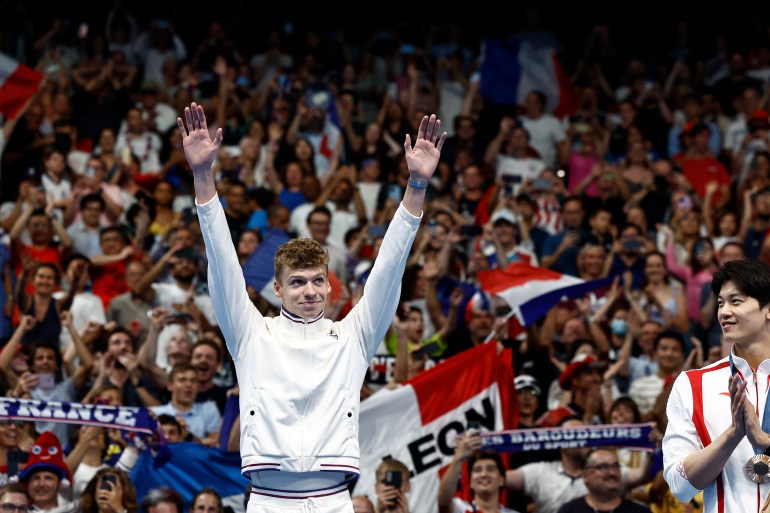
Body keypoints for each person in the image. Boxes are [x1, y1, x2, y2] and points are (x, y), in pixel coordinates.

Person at [177, 102, 445, 512]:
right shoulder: (251, 333)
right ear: (278, 290)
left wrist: (416, 189)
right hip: (268, 501)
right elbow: (223, 263)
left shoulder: (351, 336)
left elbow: (389, 270)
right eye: (298, 282)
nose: (310, 291)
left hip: (335, 501)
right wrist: (203, 179)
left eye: (318, 280)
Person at [663, 259, 770, 512]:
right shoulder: (692, 384)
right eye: (721, 303)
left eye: (736, 301)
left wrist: (764, 442)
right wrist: (732, 435)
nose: (724, 312)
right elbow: (679, 486)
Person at [438, 429, 520, 513]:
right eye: (477, 470)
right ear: (470, 482)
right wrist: (459, 457)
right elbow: (443, 503)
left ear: (502, 480)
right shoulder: (461, 509)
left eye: (490, 469)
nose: (484, 474)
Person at [556, 448, 651, 513]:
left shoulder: (640, 511)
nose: (612, 473)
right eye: (603, 467)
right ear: (585, 475)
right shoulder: (569, 510)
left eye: (615, 466)